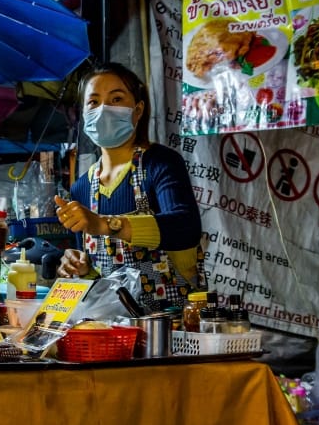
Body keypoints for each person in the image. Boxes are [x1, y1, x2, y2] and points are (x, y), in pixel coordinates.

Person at [54, 61, 206, 311]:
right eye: (93, 102)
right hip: (111, 325)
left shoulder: (159, 163)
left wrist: (105, 224)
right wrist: (81, 267)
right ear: (83, 114)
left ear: (138, 110)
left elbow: (185, 228)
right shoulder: (82, 188)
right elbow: (100, 273)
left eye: (116, 99)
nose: (103, 109)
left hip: (169, 324)